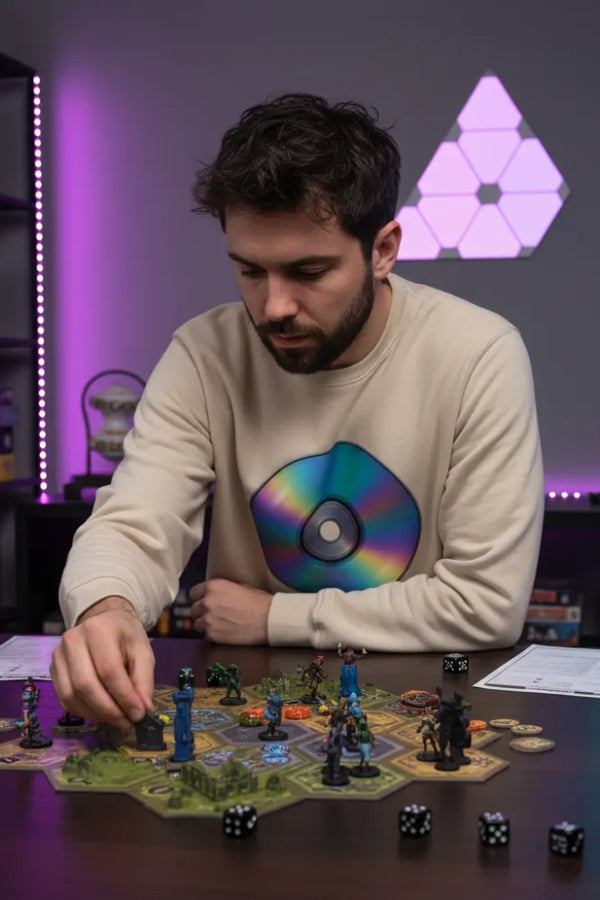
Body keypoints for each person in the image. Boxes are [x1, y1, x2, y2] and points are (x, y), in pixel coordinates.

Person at [50, 93, 544, 731]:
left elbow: (485, 604)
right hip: (249, 712)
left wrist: (272, 617)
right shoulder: (204, 354)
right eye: (250, 271)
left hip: (419, 704)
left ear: (384, 248)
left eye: (309, 271)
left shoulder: (481, 353)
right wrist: (107, 610)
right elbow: (133, 523)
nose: (274, 306)